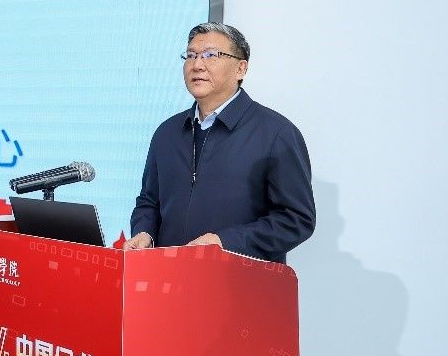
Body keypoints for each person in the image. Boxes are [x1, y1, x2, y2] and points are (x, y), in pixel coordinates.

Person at [123, 23, 314, 263]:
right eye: (191, 55)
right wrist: (145, 232)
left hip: (237, 279)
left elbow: (296, 219)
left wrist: (226, 242)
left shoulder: (276, 133)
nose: (197, 65)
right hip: (167, 276)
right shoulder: (167, 133)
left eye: (210, 55)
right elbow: (149, 202)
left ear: (240, 68)